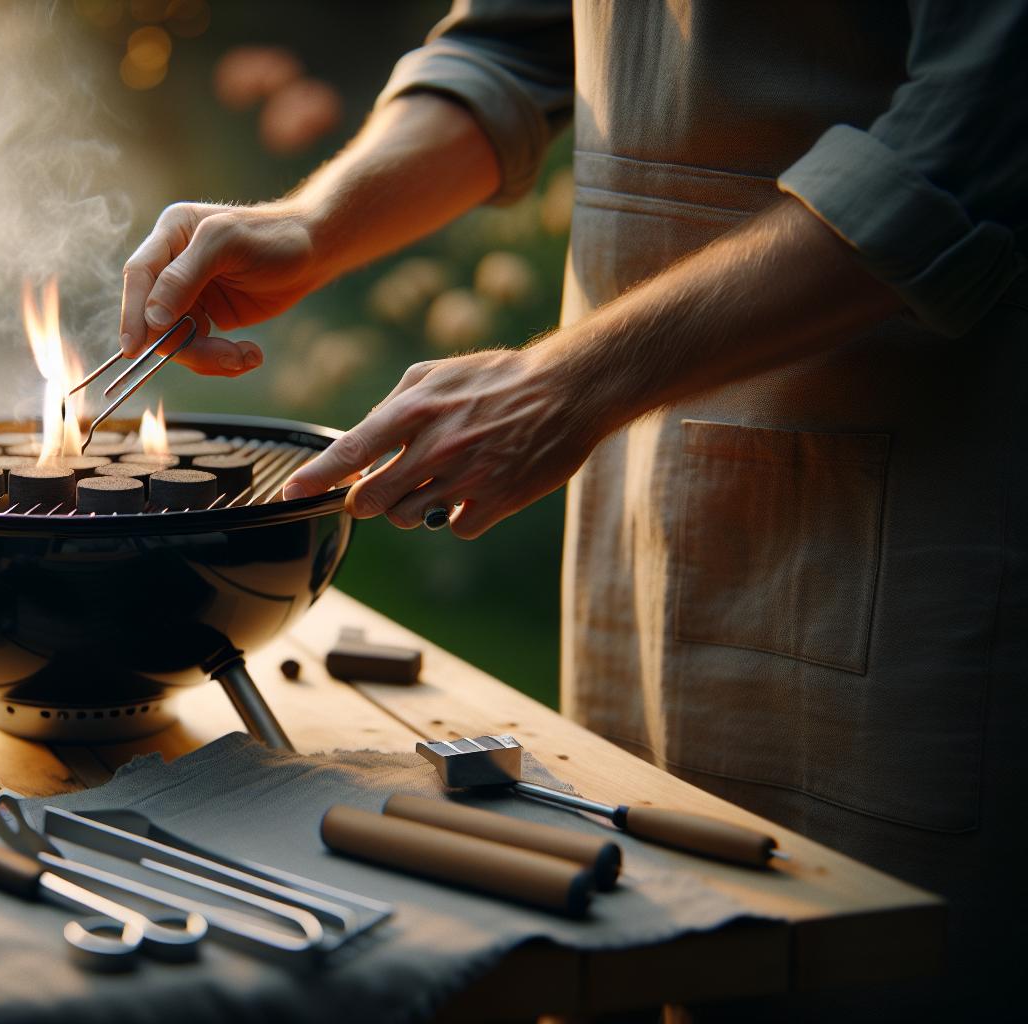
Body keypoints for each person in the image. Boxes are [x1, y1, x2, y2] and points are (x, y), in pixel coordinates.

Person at [118, 1, 1025, 1014]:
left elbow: (965, 142)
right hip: (635, 487)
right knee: (635, 930)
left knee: (877, 962)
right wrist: (315, 222)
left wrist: (569, 382)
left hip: (924, 515)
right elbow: (508, 39)